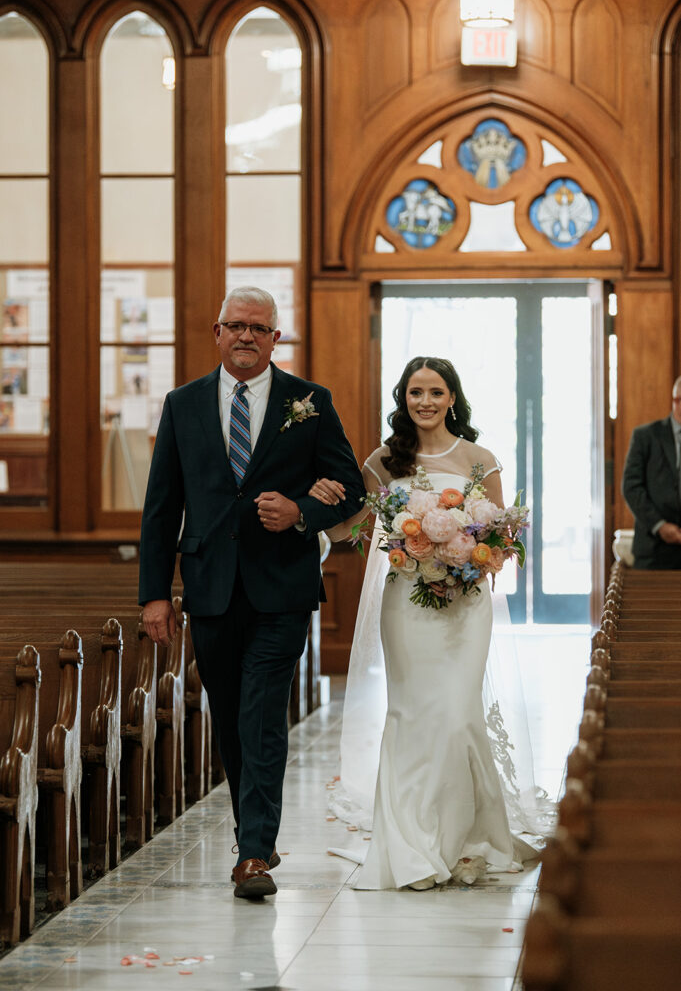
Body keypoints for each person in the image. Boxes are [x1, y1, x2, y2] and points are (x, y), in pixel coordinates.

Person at [138, 286, 365, 899]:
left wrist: (299, 513)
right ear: (217, 332)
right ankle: (252, 836)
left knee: (263, 715)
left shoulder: (309, 402)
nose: (245, 336)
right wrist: (155, 594)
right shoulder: (182, 404)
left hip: (282, 587)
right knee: (232, 719)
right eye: (235, 325)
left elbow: (350, 486)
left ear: (275, 338)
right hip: (209, 587)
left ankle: (255, 854)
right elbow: (162, 509)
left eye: (258, 328)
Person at [308, 356, 545, 891]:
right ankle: (414, 846)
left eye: (436, 391)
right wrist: (317, 502)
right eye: (416, 392)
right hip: (407, 603)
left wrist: (467, 552)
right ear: (404, 399)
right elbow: (352, 526)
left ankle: (466, 841)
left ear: (452, 398)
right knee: (413, 715)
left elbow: (502, 541)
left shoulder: (480, 459)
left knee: (459, 716)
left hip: (465, 604)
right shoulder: (383, 462)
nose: (425, 401)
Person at [622, 375, 681, 569]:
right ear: (676, 401)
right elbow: (631, 487)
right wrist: (660, 526)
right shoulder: (646, 436)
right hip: (653, 551)